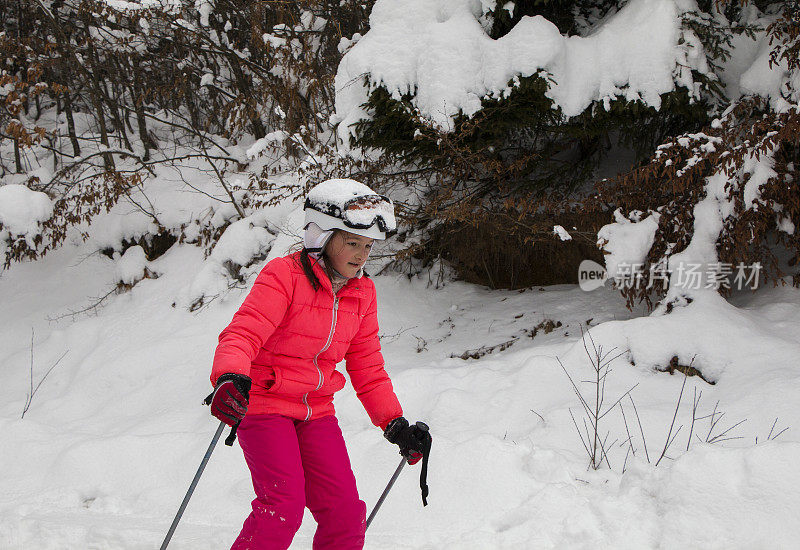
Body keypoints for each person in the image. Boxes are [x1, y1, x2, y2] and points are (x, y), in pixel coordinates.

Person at [205, 178, 430, 550]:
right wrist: (230, 376)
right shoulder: (284, 276)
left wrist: (394, 423)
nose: (361, 254)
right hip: (263, 404)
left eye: (368, 246)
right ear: (322, 237)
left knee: (345, 514)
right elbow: (242, 334)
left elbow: (367, 365)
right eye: (351, 242)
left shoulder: (363, 292)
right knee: (283, 506)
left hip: (316, 411)